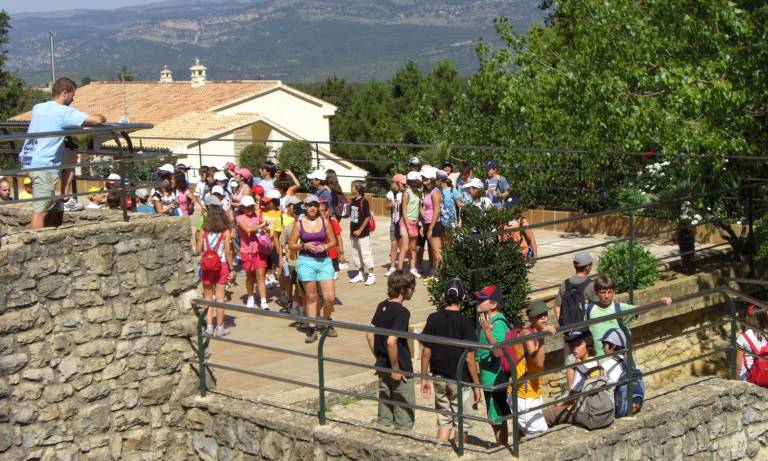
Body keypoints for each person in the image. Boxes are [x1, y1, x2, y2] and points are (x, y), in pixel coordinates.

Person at [18, 77, 106, 228]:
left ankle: (64, 199)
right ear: (65, 93)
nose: (73, 100)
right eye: (72, 95)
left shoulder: (38, 107)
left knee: (70, 154)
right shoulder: (63, 112)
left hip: (28, 159)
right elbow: (96, 120)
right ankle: (34, 245)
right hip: (43, 166)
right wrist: (103, 116)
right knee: (40, 212)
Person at [420, 278, 482, 442]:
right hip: (459, 380)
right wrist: (477, 385)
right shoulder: (466, 323)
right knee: (462, 423)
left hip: (438, 377)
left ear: (443, 296)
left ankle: (440, 453)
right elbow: (470, 358)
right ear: (463, 297)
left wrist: (424, 377)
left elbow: (426, 351)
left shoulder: (433, 318)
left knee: (444, 421)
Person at [366, 270, 417, 430]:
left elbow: (369, 334)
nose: (414, 291)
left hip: (383, 365)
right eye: (412, 287)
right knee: (404, 419)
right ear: (403, 289)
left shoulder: (382, 305)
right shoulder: (402, 312)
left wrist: (380, 358)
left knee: (385, 416)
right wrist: (396, 367)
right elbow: (391, 341)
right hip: (400, 368)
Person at [287, 195, 338, 343]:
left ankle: (327, 321)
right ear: (305, 207)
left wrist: (325, 246)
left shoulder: (325, 221)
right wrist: (304, 245)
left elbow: (333, 241)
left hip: (324, 261)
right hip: (306, 261)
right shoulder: (299, 223)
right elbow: (291, 245)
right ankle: (311, 328)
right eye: (310, 205)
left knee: (330, 297)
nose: (312, 208)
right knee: (311, 297)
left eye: (315, 205)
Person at [586, 275, 672, 357]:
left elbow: (641, 309)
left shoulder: (619, 308)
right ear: (596, 292)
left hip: (618, 359)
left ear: (614, 292)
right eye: (603, 292)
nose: (607, 296)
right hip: (597, 360)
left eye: (610, 292)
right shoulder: (589, 309)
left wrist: (659, 302)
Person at [508, 300, 556, 436]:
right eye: (539, 315)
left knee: (525, 435)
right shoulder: (527, 335)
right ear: (530, 318)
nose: (543, 318)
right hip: (523, 395)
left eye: (545, 314)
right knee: (540, 435)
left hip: (531, 392)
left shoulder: (536, 331)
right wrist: (541, 340)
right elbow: (537, 363)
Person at [474, 285, 512, 445]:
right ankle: (501, 446)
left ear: (493, 304)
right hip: (490, 378)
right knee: (496, 418)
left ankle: (501, 448)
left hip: (495, 379)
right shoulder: (490, 321)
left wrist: (488, 333)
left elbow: (498, 353)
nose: (477, 301)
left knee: (497, 419)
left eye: (482, 299)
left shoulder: (496, 324)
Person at [542, 329, 600, 427]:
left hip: (585, 411)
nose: (574, 349)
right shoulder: (597, 361)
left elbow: (572, 397)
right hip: (597, 406)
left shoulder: (582, 366)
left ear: (588, 344)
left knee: (543, 416)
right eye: (572, 345)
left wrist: (560, 405)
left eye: (578, 345)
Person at [195, 203, 234, 337]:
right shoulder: (226, 232)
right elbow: (228, 252)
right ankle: (220, 327)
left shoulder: (203, 231)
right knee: (220, 298)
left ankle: (209, 327)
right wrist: (231, 268)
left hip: (206, 266)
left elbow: (198, 250)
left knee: (207, 297)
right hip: (221, 264)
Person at [236, 195, 269, 310]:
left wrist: (265, 228)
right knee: (250, 277)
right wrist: (261, 225)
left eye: (251, 206)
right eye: (247, 207)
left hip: (259, 250)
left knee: (261, 276)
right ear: (242, 208)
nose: (250, 209)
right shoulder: (239, 218)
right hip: (246, 251)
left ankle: (264, 302)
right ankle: (250, 297)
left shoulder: (257, 215)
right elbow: (248, 230)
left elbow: (262, 229)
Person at [555, 252, 599, 326]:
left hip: (568, 331)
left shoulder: (565, 284)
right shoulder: (592, 285)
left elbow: (557, 307)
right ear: (588, 267)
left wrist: (563, 326)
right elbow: (598, 309)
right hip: (586, 332)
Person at [279, 196, 303, 316]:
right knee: (292, 283)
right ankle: (292, 303)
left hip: (304, 262)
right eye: (300, 214)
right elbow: (281, 244)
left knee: (300, 286)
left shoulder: (309, 228)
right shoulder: (288, 228)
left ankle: (297, 304)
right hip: (292, 262)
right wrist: (280, 259)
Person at [348, 180, 375, 286]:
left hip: (363, 234)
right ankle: (361, 273)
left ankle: (371, 275)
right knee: (356, 254)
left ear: (357, 189)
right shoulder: (352, 200)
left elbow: (368, 217)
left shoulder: (364, 201)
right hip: (353, 233)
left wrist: (360, 230)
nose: (351, 189)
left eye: (352, 187)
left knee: (365, 254)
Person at [420, 168, 443, 274]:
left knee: (437, 251)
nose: (423, 179)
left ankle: (440, 275)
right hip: (428, 223)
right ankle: (436, 272)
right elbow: (425, 208)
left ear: (431, 179)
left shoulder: (435, 192)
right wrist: (423, 225)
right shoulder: (428, 192)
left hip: (434, 224)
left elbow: (436, 210)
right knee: (434, 250)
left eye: (425, 178)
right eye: (423, 177)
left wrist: (430, 228)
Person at [399, 172, 422, 278]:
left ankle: (412, 269)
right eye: (416, 181)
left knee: (413, 247)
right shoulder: (406, 192)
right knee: (404, 247)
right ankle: (399, 271)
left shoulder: (419, 193)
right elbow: (403, 210)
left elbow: (419, 208)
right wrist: (408, 226)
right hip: (405, 223)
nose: (418, 183)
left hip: (415, 222)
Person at [736, 306, 768, 382]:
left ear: (750, 318)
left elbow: (738, 364)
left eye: (747, 315)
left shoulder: (743, 337)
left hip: (751, 378)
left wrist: (735, 379)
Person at [261, 190, 284, 291]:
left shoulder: (281, 213)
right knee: (266, 264)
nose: (266, 203)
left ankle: (274, 278)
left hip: (276, 243)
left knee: (277, 264)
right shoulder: (261, 211)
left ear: (274, 201)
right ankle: (267, 278)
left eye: (268, 201)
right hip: (264, 244)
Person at [386, 174, 406, 275]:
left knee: (402, 244)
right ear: (397, 183)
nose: (404, 186)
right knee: (394, 244)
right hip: (394, 222)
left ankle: (400, 266)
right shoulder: (390, 194)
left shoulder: (405, 193)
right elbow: (386, 206)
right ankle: (392, 266)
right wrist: (391, 205)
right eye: (402, 184)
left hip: (403, 222)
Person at [319, 199, 344, 280]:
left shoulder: (332, 220)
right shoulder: (316, 221)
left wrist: (341, 252)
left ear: (328, 210)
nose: (322, 213)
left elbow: (339, 237)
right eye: (320, 211)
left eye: (324, 210)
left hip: (332, 253)